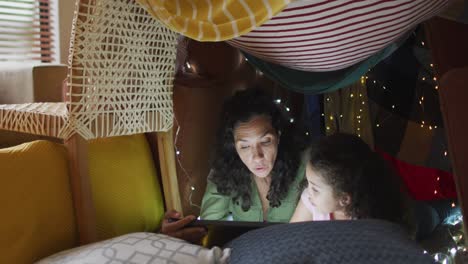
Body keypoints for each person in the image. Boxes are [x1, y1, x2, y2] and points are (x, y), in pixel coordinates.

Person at [199, 88, 305, 222]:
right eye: (245, 146)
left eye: (265, 141)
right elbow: (210, 224)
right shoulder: (224, 171)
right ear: (233, 145)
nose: (257, 157)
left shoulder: (306, 166)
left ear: (278, 134)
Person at [290, 133, 414, 234]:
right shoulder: (311, 200)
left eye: (315, 189)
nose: (308, 191)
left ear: (344, 199)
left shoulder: (371, 222)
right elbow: (290, 238)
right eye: (308, 183)